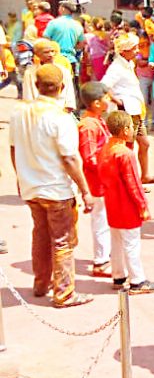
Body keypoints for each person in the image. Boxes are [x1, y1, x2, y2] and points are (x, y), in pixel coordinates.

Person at [9, 64, 95, 307]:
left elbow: (14, 150)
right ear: (62, 87)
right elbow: (69, 158)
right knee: (62, 241)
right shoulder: (61, 118)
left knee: (40, 235)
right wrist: (85, 190)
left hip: (31, 187)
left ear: (36, 86)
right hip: (56, 189)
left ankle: (41, 283)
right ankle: (64, 293)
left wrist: (20, 177)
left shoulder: (19, 113)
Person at [97, 112, 154, 294]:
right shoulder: (125, 153)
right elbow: (133, 183)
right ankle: (137, 280)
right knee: (131, 243)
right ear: (125, 130)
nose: (133, 130)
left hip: (111, 203)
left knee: (116, 241)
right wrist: (143, 206)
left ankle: (118, 276)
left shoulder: (105, 149)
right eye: (132, 127)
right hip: (126, 205)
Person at [102, 33, 154, 185]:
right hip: (127, 110)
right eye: (134, 48)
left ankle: (144, 176)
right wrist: (118, 102)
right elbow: (104, 86)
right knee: (128, 147)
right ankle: (129, 180)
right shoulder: (116, 67)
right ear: (124, 51)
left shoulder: (128, 64)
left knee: (144, 143)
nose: (137, 51)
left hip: (135, 110)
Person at [78, 82, 111, 278]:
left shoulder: (97, 120)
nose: (110, 100)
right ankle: (100, 260)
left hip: (104, 179)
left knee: (104, 219)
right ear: (97, 103)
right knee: (100, 220)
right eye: (107, 97)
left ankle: (104, 254)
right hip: (98, 181)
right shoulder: (88, 125)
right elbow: (89, 157)